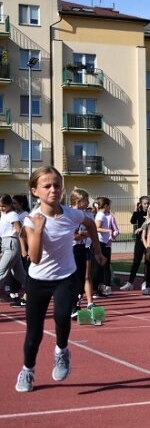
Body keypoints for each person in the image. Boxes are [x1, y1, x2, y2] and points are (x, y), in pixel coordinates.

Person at [15, 166, 106, 392]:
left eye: (57, 185)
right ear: (35, 191)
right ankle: (28, 370)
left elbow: (90, 224)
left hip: (65, 276)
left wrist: (97, 250)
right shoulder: (31, 220)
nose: (53, 190)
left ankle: (62, 351)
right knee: (34, 334)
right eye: (47, 186)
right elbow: (34, 258)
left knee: (62, 315)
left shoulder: (72, 214)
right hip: (38, 280)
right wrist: (37, 230)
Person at [68, 188, 95, 317]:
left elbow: (93, 232)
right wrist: (84, 234)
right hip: (72, 249)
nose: (88, 202)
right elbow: (73, 236)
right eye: (86, 200)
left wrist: (84, 234)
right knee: (75, 279)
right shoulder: (70, 214)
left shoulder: (88, 215)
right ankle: (72, 306)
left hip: (84, 248)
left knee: (84, 277)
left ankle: (76, 304)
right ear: (79, 201)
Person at [0, 194, 27, 305]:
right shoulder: (4, 215)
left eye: (4, 206)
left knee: (1, 270)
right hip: (5, 244)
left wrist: (24, 249)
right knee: (19, 274)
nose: (2, 208)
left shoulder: (13, 215)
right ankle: (36, 290)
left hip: (12, 244)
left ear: (10, 205)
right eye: (0, 206)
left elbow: (20, 232)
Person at [92, 197, 119, 297]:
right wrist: (108, 231)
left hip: (104, 242)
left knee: (104, 266)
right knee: (98, 267)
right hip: (100, 243)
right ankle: (95, 289)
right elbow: (96, 228)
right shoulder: (100, 215)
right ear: (106, 206)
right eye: (109, 206)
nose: (109, 208)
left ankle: (102, 288)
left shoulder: (104, 215)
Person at [121, 196, 150, 291]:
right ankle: (130, 282)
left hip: (149, 240)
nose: (146, 205)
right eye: (144, 203)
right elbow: (132, 221)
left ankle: (146, 282)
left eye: (147, 203)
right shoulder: (137, 213)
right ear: (141, 204)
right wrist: (136, 211)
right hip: (139, 240)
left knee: (148, 262)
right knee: (136, 261)